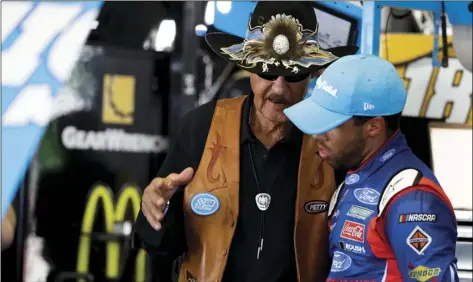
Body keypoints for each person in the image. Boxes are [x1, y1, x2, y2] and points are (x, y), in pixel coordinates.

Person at [133, 2, 358, 282]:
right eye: (266, 71)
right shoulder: (202, 126)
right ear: (248, 68)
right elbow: (160, 246)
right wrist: (157, 209)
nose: (278, 88)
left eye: (293, 75)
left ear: (313, 74)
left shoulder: (329, 139)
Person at [284, 54, 459, 281]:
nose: (318, 134)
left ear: (374, 126)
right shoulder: (359, 175)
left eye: (330, 124)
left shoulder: (412, 199)